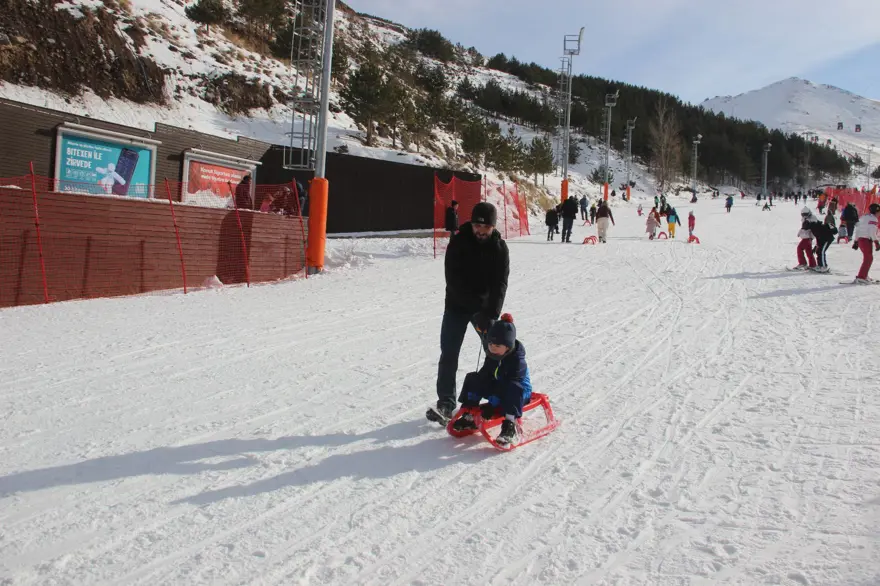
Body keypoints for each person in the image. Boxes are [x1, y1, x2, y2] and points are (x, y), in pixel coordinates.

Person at [427, 202, 510, 424]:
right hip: (456, 305)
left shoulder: (499, 248)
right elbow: (453, 280)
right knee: (449, 354)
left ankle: (500, 398)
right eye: (476, 226)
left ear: (492, 227)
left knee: (496, 351)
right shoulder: (459, 242)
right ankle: (446, 403)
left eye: (485, 228)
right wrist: (475, 308)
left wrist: (490, 313)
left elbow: (500, 284)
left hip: (484, 309)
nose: (480, 231)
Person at [452, 314, 532, 447]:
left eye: (498, 345)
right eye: (490, 343)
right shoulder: (493, 355)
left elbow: (509, 383)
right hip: (499, 387)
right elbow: (486, 375)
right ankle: (469, 415)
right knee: (474, 378)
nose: (493, 347)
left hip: (518, 393)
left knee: (513, 387)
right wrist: (475, 391)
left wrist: (493, 404)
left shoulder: (517, 361)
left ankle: (509, 426)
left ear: (508, 346)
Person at [851, 203, 880, 284]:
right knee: (868, 258)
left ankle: (864, 275)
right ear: (876, 211)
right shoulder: (873, 219)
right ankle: (861, 277)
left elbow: (858, 229)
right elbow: (872, 231)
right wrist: (876, 241)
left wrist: (856, 241)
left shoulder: (864, 217)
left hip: (861, 239)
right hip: (866, 240)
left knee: (867, 258)